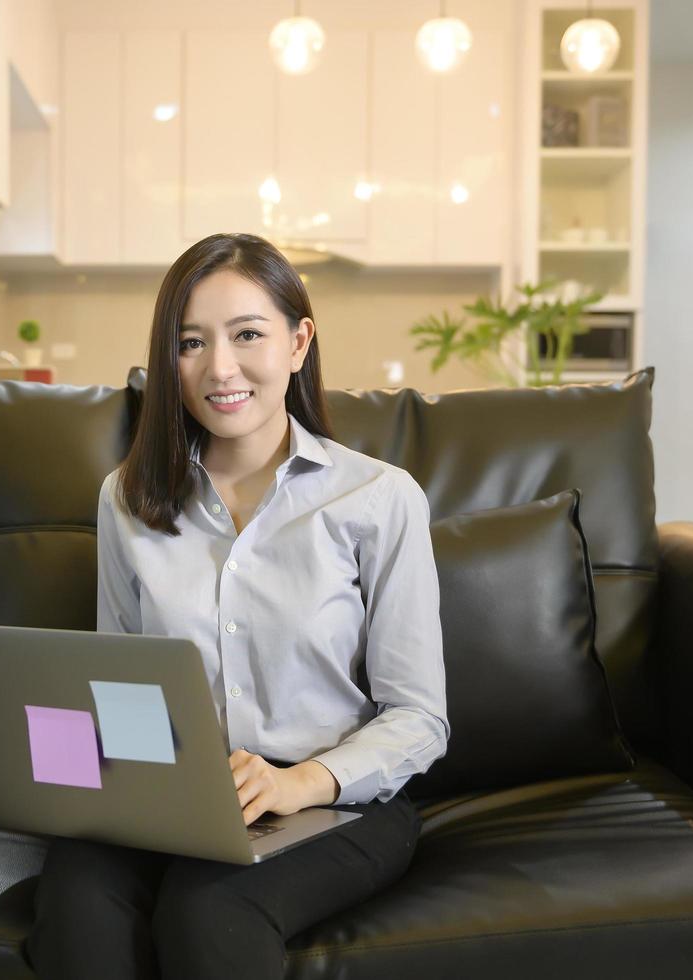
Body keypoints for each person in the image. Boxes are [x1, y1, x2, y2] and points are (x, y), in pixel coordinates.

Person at [24, 232, 449, 980]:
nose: (219, 369)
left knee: (207, 908)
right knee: (78, 897)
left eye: (246, 334)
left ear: (297, 341)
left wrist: (294, 783)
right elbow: (119, 683)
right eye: (190, 343)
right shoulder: (128, 498)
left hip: (336, 800)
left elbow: (418, 718)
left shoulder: (378, 498)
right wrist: (89, 770)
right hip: (175, 790)